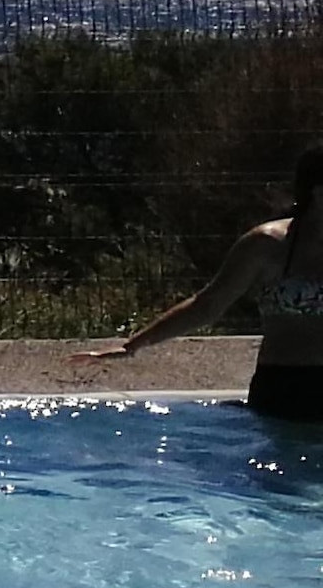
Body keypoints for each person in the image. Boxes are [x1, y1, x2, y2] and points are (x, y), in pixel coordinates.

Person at [79, 149, 323, 420]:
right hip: (285, 383)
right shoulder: (267, 245)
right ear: (315, 191)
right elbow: (208, 305)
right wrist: (133, 345)